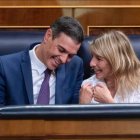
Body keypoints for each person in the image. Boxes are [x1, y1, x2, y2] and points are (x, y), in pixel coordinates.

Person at [0, 16, 84, 106]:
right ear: (48, 36)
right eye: (61, 50)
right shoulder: (5, 66)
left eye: (70, 55)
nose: (64, 60)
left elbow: (74, 111)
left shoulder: (75, 65)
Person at [80, 30, 140, 104]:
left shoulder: (138, 86)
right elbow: (84, 115)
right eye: (92, 56)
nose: (91, 63)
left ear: (116, 61)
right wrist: (83, 104)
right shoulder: (87, 86)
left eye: (99, 58)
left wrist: (109, 102)